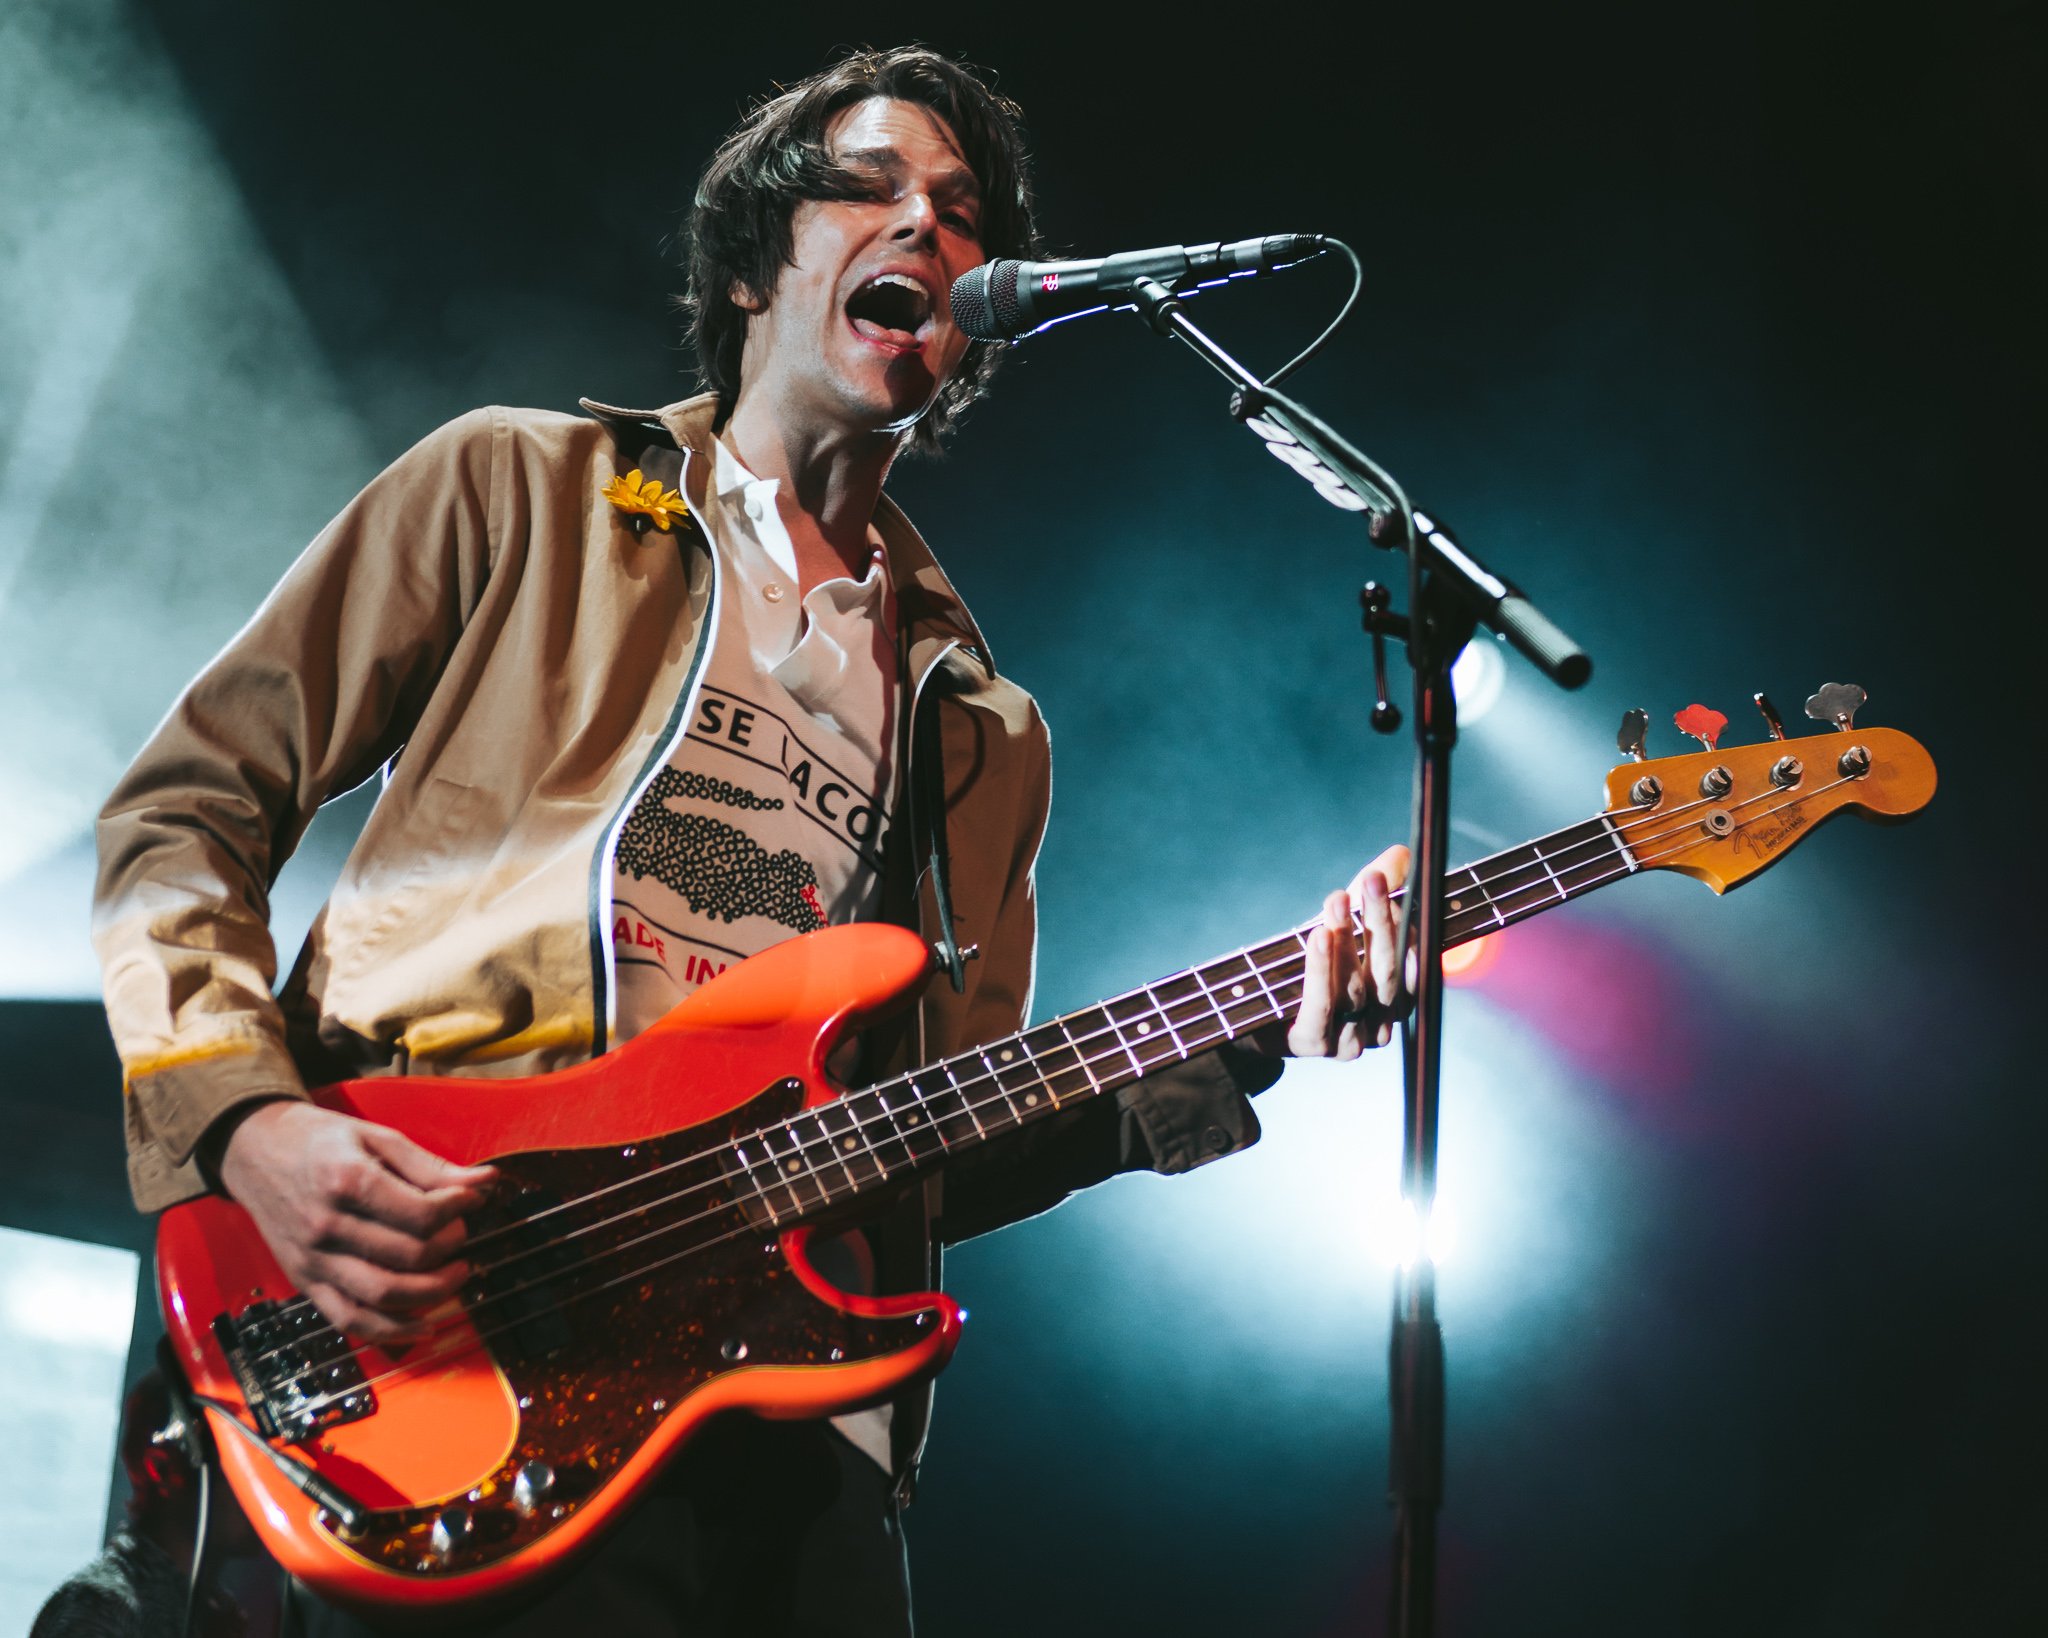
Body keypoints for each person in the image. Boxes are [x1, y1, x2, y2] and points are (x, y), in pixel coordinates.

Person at [92, 45, 1408, 1637]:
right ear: (752, 261)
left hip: (788, 1427)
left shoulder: (981, 728)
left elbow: (937, 1138)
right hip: (440, 1326)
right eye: (870, 190)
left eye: (964, 213)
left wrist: (1249, 1030)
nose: (926, 228)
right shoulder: (518, 489)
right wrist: (248, 1128)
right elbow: (183, 816)